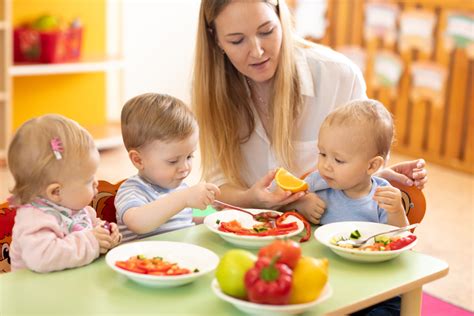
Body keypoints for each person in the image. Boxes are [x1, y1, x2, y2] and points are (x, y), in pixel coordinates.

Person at [192, 0, 427, 224]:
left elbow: (359, 159)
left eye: (266, 31)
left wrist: (376, 174)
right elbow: (218, 185)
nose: (257, 51)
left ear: (281, 19)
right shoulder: (212, 93)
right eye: (236, 40)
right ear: (216, 40)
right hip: (251, 228)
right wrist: (252, 199)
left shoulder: (338, 76)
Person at [8, 114, 121, 273]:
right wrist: (92, 241)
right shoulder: (34, 219)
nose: (96, 182)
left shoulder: (74, 206)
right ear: (56, 192)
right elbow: (42, 257)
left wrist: (104, 233)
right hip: (37, 295)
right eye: (88, 180)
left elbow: (85, 230)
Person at [115, 93, 220, 242]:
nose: (184, 167)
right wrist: (185, 198)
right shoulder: (132, 190)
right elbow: (138, 224)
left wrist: (211, 218)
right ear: (138, 160)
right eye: (172, 161)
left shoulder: (180, 188)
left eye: (189, 156)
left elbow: (182, 223)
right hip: (144, 262)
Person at [300, 99, 408, 227]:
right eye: (323, 154)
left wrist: (396, 212)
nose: (326, 166)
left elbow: (400, 236)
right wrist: (300, 203)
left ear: (371, 166)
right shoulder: (316, 182)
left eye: (338, 160)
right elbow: (280, 210)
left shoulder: (381, 196)